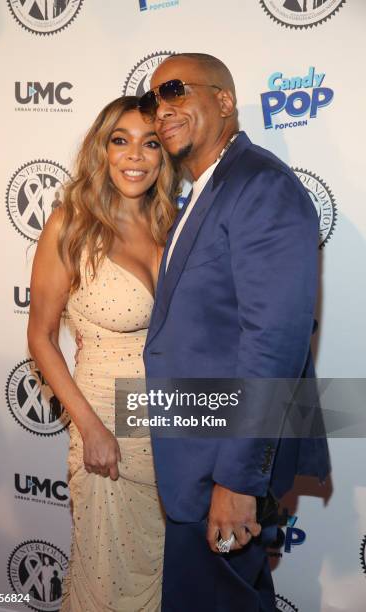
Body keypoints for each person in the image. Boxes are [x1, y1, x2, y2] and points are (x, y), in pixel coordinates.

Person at [137, 53, 331, 611]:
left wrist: (239, 481)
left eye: (175, 91)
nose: (161, 110)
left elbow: (273, 344)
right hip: (196, 453)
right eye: (153, 100)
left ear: (224, 101)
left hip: (221, 463)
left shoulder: (259, 186)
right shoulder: (206, 189)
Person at [27, 95, 178, 611]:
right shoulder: (72, 224)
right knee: (106, 587)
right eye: (121, 140)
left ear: (164, 155)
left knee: (161, 583)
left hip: (170, 434)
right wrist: (89, 428)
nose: (135, 156)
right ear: (102, 149)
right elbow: (41, 338)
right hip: (107, 433)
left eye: (150, 143)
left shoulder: (173, 224)